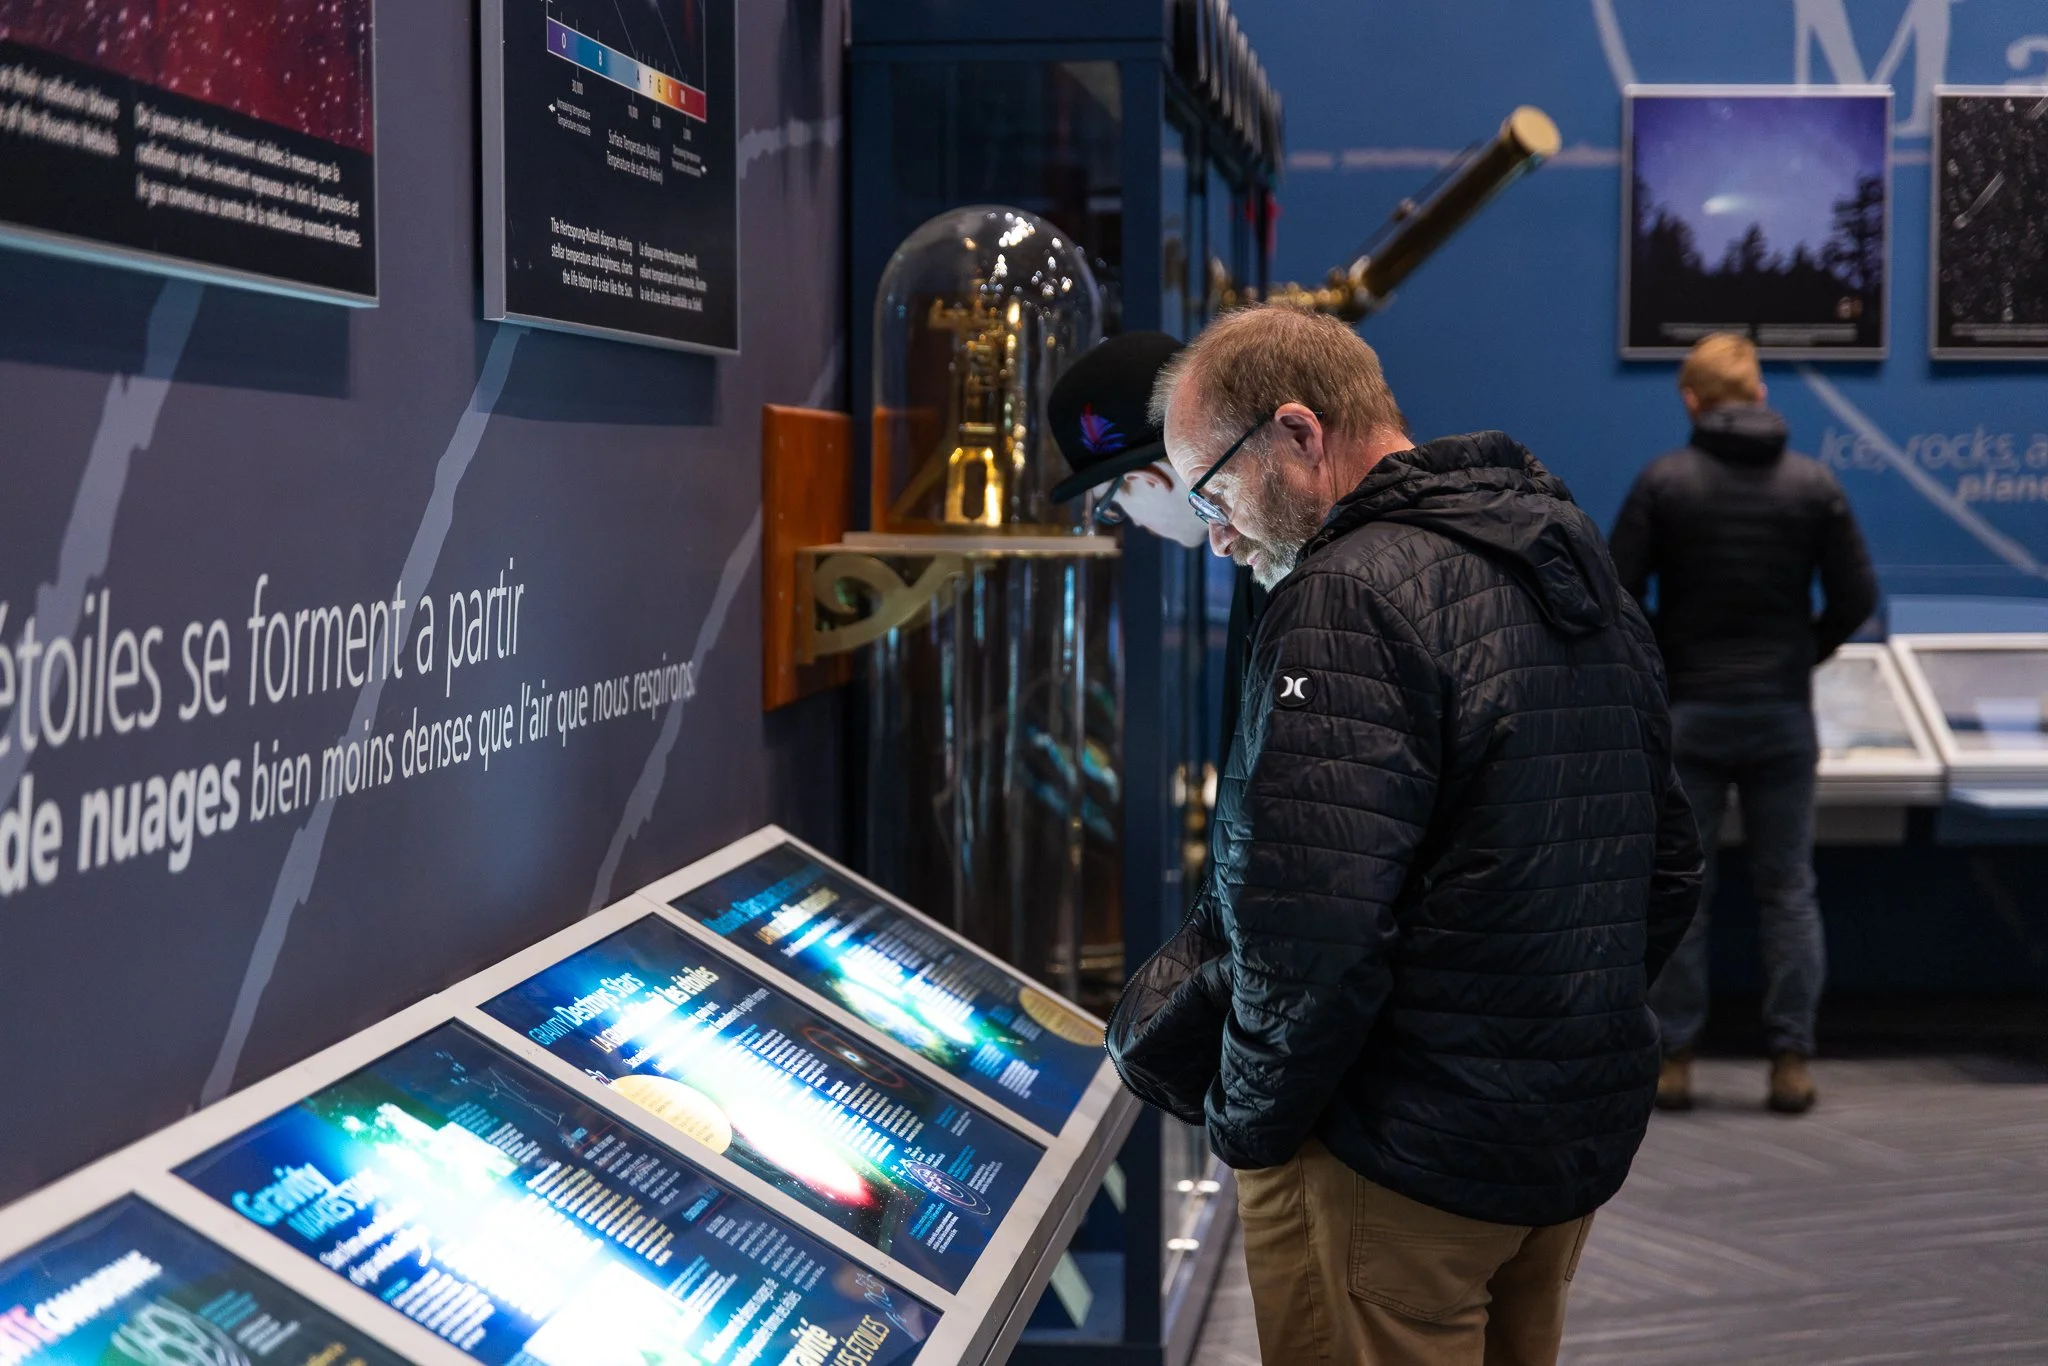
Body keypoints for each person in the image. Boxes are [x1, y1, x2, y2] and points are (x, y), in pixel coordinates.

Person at [1149, 305, 1702, 1366]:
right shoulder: (1565, 554)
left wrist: (1250, 1131)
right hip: (1551, 1147)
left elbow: (1309, 931)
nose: (1215, 534)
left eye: (1215, 490)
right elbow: (1664, 860)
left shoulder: (1344, 594)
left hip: (1393, 1163)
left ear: (1299, 435)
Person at [1609, 332, 1879, 1116]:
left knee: (1683, 895)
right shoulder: (1814, 485)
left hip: (1688, 714)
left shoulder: (1665, 482)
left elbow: (1617, 596)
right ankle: (1790, 1059)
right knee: (1790, 889)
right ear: (1759, 395)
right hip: (1782, 717)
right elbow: (1857, 598)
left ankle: (1677, 1059)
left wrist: (1668, 659)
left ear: (1691, 401)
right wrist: (1801, 654)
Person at [1049, 329, 1269, 751]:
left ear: (1142, 481)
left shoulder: (1275, 568)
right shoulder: (1280, 545)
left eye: (1111, 506)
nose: (1130, 523)